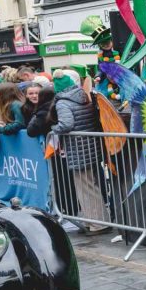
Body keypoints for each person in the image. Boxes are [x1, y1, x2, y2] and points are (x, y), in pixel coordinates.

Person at [52, 71, 108, 232]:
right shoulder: (83, 95)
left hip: (77, 149)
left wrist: (54, 129)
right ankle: (100, 220)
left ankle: (97, 223)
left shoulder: (62, 102)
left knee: (85, 187)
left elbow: (66, 124)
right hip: (90, 146)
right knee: (92, 185)